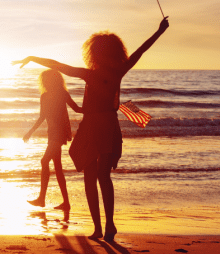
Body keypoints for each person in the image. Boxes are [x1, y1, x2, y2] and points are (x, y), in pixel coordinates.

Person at [13, 17, 169, 242]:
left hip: (99, 126)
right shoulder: (115, 72)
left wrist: (33, 58)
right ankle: (104, 227)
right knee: (98, 177)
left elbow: (60, 66)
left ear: (95, 53)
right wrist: (159, 31)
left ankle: (104, 227)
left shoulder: (93, 74)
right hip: (101, 125)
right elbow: (140, 51)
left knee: (96, 177)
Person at [24, 69, 82, 212]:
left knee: (44, 161)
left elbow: (77, 109)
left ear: (53, 80)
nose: (44, 82)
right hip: (52, 134)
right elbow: (42, 117)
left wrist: (94, 109)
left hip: (59, 133)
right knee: (58, 168)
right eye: (43, 80)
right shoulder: (44, 96)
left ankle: (42, 199)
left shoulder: (62, 94)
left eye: (46, 79)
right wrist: (30, 132)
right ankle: (66, 203)